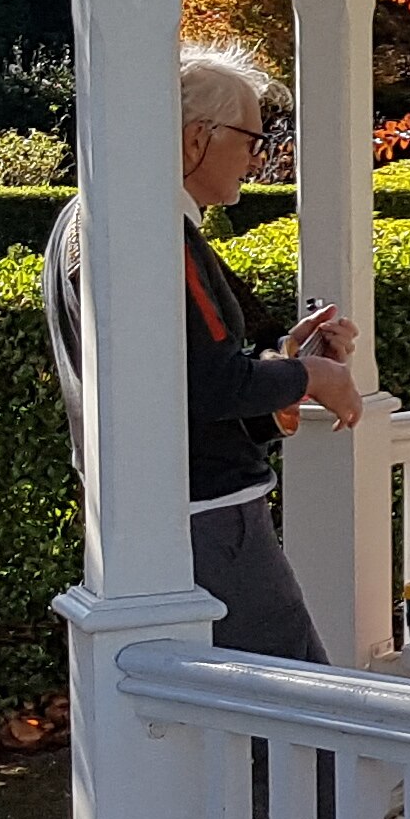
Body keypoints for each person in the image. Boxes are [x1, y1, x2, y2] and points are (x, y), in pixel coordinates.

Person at [40, 43, 362, 658]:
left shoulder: (88, 219)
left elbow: (176, 375)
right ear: (196, 140)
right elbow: (210, 384)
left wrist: (287, 360)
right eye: (250, 139)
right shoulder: (153, 230)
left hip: (151, 516)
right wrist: (312, 375)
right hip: (210, 517)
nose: (258, 157)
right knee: (297, 714)